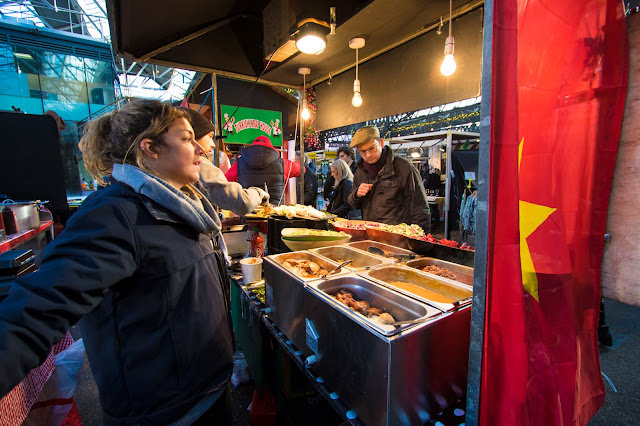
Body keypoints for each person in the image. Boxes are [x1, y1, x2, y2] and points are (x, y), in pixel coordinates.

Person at [0, 100, 235, 425]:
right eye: (186, 138)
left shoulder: (188, 208)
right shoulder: (114, 215)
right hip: (164, 413)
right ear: (150, 148)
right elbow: (37, 308)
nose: (200, 149)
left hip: (208, 391)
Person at [180, 107, 269, 215]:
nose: (213, 144)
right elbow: (239, 200)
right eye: (210, 137)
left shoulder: (240, 162)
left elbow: (229, 178)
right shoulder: (199, 165)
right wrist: (259, 193)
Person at [347, 125, 431, 232]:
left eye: (372, 148)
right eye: (363, 151)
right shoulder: (360, 172)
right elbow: (353, 204)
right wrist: (356, 195)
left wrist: (419, 243)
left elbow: (420, 209)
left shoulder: (404, 168)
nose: (368, 155)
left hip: (397, 238)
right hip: (371, 235)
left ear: (381, 143)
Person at [225, 136, 300, 206]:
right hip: (275, 213)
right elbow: (301, 169)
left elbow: (226, 181)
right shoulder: (283, 164)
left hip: (248, 211)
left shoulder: (238, 163)